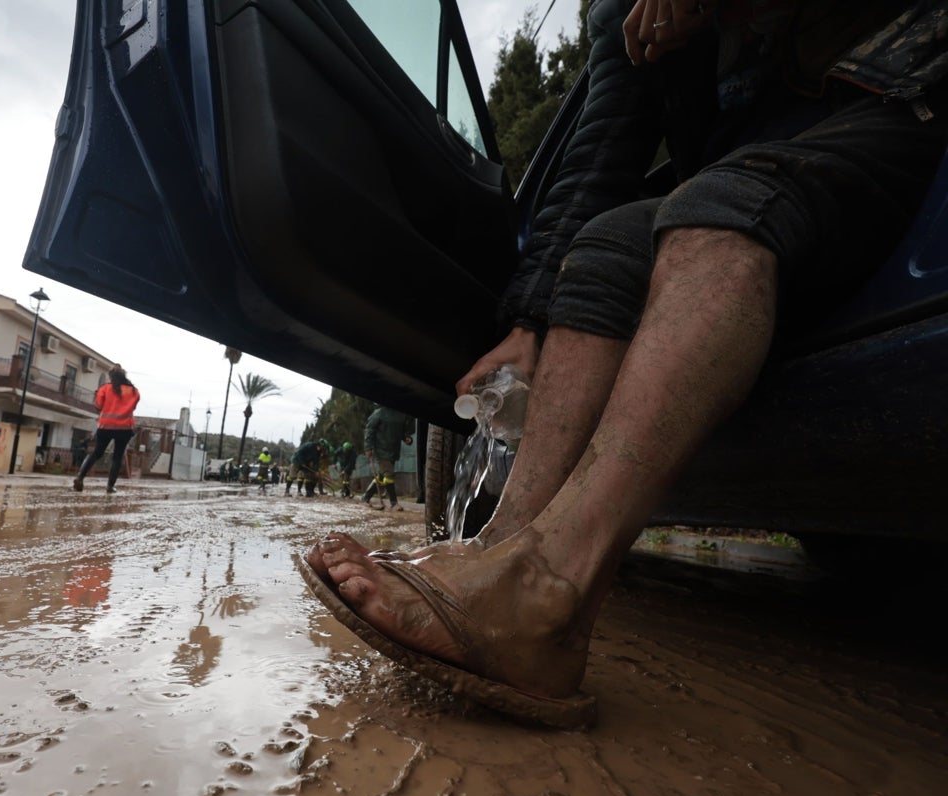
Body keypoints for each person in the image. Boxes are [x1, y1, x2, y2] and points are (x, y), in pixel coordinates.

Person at [301, 0, 948, 727]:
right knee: (607, 245)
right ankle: (500, 551)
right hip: (752, 156)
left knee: (716, 208)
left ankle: (550, 593)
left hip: (895, 97)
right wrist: (528, 321)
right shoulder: (621, 11)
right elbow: (597, 162)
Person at [73, 365, 140, 493]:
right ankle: (110, 486)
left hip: (105, 426)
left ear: (111, 377)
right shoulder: (134, 391)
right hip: (124, 428)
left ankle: (80, 477)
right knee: (117, 457)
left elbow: (98, 406)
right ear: (124, 376)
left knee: (96, 453)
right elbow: (133, 407)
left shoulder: (105, 389)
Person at [360, 406, 413, 511]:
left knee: (381, 476)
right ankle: (393, 503)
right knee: (389, 474)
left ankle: (366, 497)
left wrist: (406, 438)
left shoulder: (401, 415)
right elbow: (369, 430)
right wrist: (368, 447)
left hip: (393, 450)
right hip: (381, 450)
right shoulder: (379, 413)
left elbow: (401, 431)